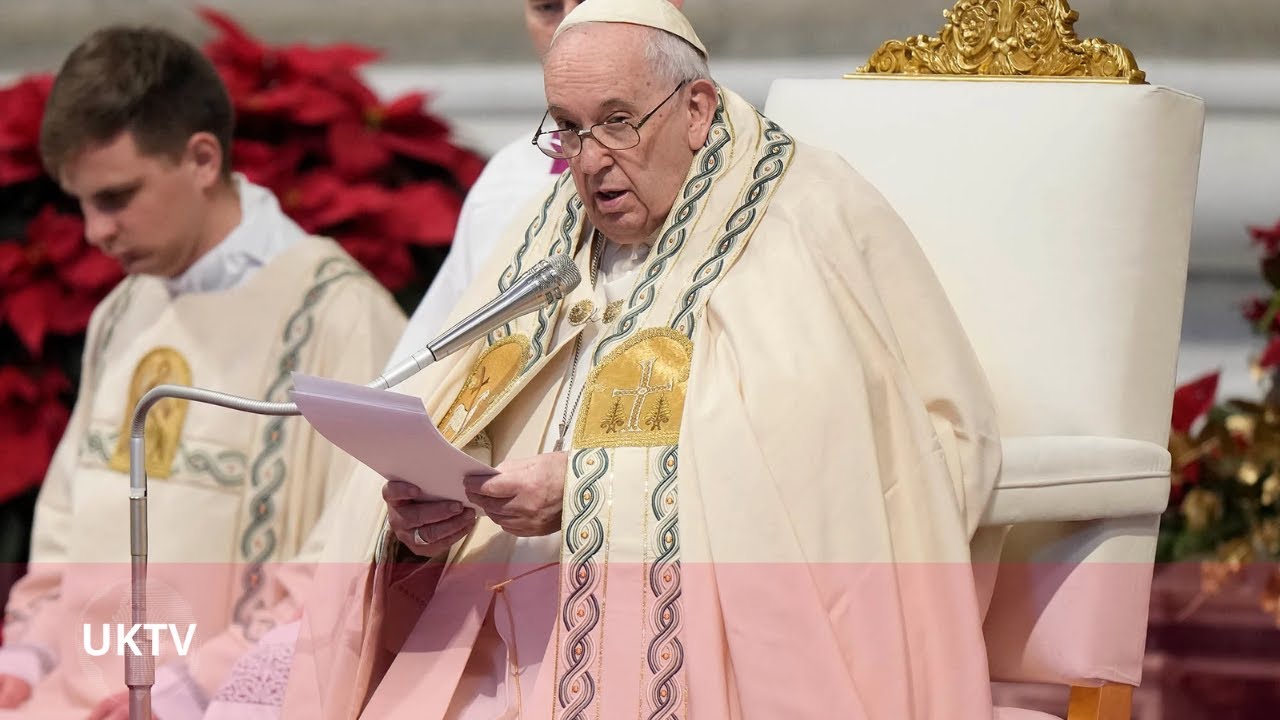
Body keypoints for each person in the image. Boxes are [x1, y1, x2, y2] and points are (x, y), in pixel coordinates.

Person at [280, 0, 1002, 718]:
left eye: (618, 121)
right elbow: (463, 402)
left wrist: (589, 484)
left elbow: (824, 450)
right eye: (567, 127)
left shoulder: (800, 211)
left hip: (697, 636)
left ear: (696, 108)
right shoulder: (548, 229)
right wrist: (428, 521)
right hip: (501, 620)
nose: (589, 160)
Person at [0, 26, 406, 720]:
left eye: (117, 197)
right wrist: (21, 663)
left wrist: (185, 694)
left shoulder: (341, 318)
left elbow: (348, 560)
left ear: (201, 157)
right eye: (82, 202)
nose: (95, 231)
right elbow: (68, 522)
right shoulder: (124, 308)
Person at [386, 0, 682, 363]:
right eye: (547, 7)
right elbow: (431, 362)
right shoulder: (508, 178)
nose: (570, 21)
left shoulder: (746, 171)